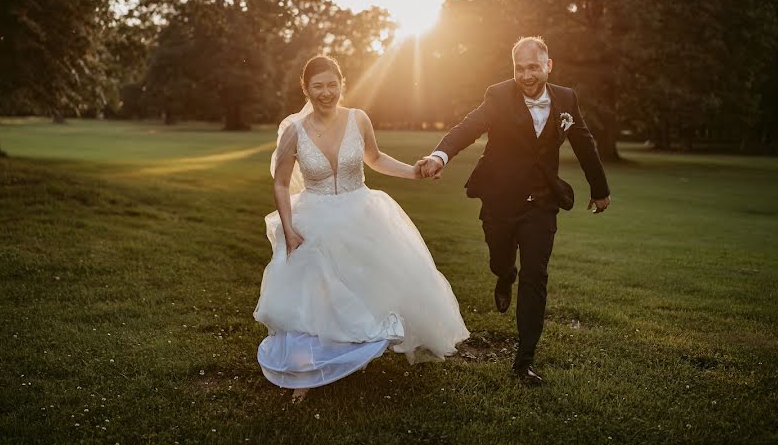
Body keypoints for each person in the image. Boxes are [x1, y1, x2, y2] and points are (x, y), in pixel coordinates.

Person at [254, 55, 469, 401]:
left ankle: (355, 351)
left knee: (368, 286)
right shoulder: (294, 131)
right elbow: (281, 184)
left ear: (342, 83)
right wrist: (290, 228)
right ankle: (306, 373)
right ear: (306, 89)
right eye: (318, 86)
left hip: (361, 210)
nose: (326, 93)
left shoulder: (359, 119)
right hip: (314, 215)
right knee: (312, 293)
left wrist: (413, 172)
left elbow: (376, 158)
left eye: (332, 85)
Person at [419, 36, 611, 385]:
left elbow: (584, 143)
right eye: (519, 68)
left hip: (542, 204)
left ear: (548, 66)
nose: (526, 75)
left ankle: (524, 361)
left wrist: (600, 191)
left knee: (535, 276)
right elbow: (469, 127)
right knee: (500, 259)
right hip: (501, 199)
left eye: (533, 67)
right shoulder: (498, 95)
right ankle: (504, 276)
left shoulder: (566, 99)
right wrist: (439, 155)